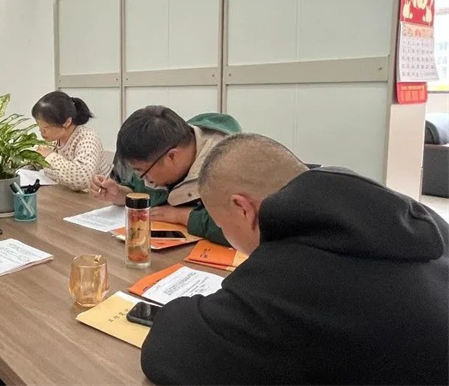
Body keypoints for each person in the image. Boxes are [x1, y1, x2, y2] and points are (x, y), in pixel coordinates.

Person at [141, 133, 449, 385]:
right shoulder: (418, 217)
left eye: (222, 224)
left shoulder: (284, 278)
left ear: (244, 209)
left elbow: (169, 348)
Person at [92, 107, 241, 245]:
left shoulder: (229, 164)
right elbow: (140, 188)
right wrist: (120, 194)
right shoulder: (160, 149)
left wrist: (181, 216)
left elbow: (242, 226)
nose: (142, 177)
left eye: (142, 172)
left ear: (172, 156)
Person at [31, 91, 109, 191]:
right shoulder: (54, 139)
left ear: (67, 122)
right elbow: (39, 165)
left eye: (46, 126)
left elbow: (83, 178)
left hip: (95, 196)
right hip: (64, 194)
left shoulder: (87, 138)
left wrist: (49, 156)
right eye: (39, 125)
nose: (41, 131)